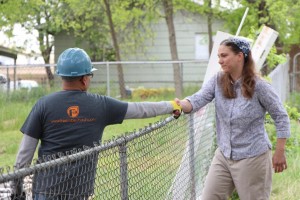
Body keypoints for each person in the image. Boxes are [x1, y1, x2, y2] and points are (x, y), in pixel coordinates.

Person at [11, 47, 182, 200]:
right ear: (85, 79)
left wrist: (17, 189)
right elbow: (140, 109)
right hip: (80, 190)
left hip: (45, 189)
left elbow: (24, 155)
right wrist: (171, 106)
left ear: (61, 76)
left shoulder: (43, 105)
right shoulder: (100, 105)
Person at [176, 37, 290, 200]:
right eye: (218, 56)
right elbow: (197, 100)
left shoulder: (260, 86)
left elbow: (281, 117)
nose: (220, 61)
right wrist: (180, 105)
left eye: (224, 55)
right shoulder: (217, 81)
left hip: (253, 156)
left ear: (240, 56)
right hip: (224, 155)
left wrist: (280, 152)